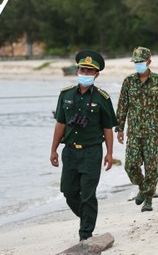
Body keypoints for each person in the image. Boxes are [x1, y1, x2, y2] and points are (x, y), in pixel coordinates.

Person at [50, 50, 117, 241]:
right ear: (77, 70)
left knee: (87, 195)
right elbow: (60, 123)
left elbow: (107, 128)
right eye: (82, 69)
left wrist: (109, 154)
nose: (85, 74)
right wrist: (53, 149)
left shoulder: (102, 99)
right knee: (68, 192)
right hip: (69, 152)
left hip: (92, 152)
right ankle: (88, 217)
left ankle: (85, 234)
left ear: (96, 75)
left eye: (89, 71)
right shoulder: (66, 95)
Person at [115, 46, 158, 212]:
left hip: (153, 132)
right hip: (133, 131)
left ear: (148, 62)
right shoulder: (128, 82)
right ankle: (144, 188)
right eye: (135, 62)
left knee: (151, 167)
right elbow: (122, 106)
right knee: (130, 165)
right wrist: (119, 128)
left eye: (141, 61)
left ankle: (148, 200)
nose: (138, 64)